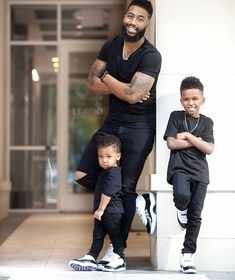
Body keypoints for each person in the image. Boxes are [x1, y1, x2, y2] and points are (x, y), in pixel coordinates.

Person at [70, 0, 162, 270]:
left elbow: (133, 95)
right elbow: (91, 81)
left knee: (122, 189)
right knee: (86, 176)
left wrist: (107, 75)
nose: (133, 22)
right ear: (125, 17)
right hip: (113, 121)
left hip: (139, 127)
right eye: (130, 16)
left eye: (140, 18)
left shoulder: (150, 56)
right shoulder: (111, 46)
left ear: (147, 23)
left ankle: (113, 252)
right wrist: (124, 88)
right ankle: (137, 204)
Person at [163, 76, 214, 274]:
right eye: (186, 99)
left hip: (200, 173)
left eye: (194, 98)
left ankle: (187, 256)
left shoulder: (207, 122)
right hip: (180, 168)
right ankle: (181, 209)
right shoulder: (176, 117)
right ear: (181, 100)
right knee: (182, 196)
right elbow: (172, 143)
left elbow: (209, 149)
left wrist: (187, 136)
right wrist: (197, 141)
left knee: (196, 216)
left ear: (202, 100)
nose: (190, 103)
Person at [69, 134, 126, 272]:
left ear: (117, 156)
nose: (104, 160)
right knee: (98, 236)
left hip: (111, 211)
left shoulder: (114, 173)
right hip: (103, 212)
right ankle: (91, 257)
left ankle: (119, 259)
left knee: (115, 236)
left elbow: (108, 192)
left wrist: (100, 209)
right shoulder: (104, 172)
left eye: (108, 156)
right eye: (101, 157)